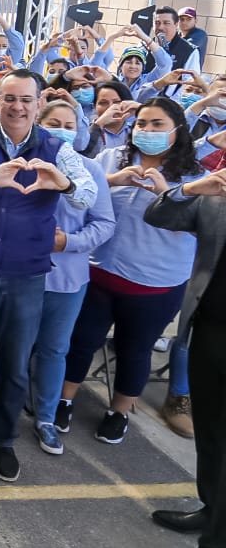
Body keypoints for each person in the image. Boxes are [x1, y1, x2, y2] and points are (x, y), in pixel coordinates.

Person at [0, 69, 97, 483]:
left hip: (25, 274)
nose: (18, 106)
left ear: (39, 104)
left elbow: (86, 193)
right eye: (9, 98)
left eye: (26, 99)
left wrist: (63, 183)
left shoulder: (57, 148)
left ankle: (3, 438)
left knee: (13, 364)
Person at [60, 97, 202, 446]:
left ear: (178, 130)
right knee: (80, 341)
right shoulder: (111, 159)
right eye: (141, 123)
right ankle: (63, 400)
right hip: (98, 274)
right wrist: (111, 180)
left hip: (154, 285)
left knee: (134, 350)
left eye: (157, 124)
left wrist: (170, 195)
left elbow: (201, 229)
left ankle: (119, 412)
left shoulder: (197, 178)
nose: (147, 130)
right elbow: (78, 196)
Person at [145, 166, 226, 548]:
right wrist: (192, 188)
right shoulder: (217, 193)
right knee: (210, 434)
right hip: (210, 329)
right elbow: (159, 215)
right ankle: (213, 511)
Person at [26, 101, 115, 456]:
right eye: (53, 122)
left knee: (54, 348)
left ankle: (46, 418)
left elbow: (104, 224)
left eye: (68, 124)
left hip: (66, 279)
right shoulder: (22, 165)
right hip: (19, 275)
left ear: (79, 131)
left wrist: (69, 242)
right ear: (38, 123)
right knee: (7, 345)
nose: (60, 130)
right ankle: (0, 409)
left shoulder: (89, 171)